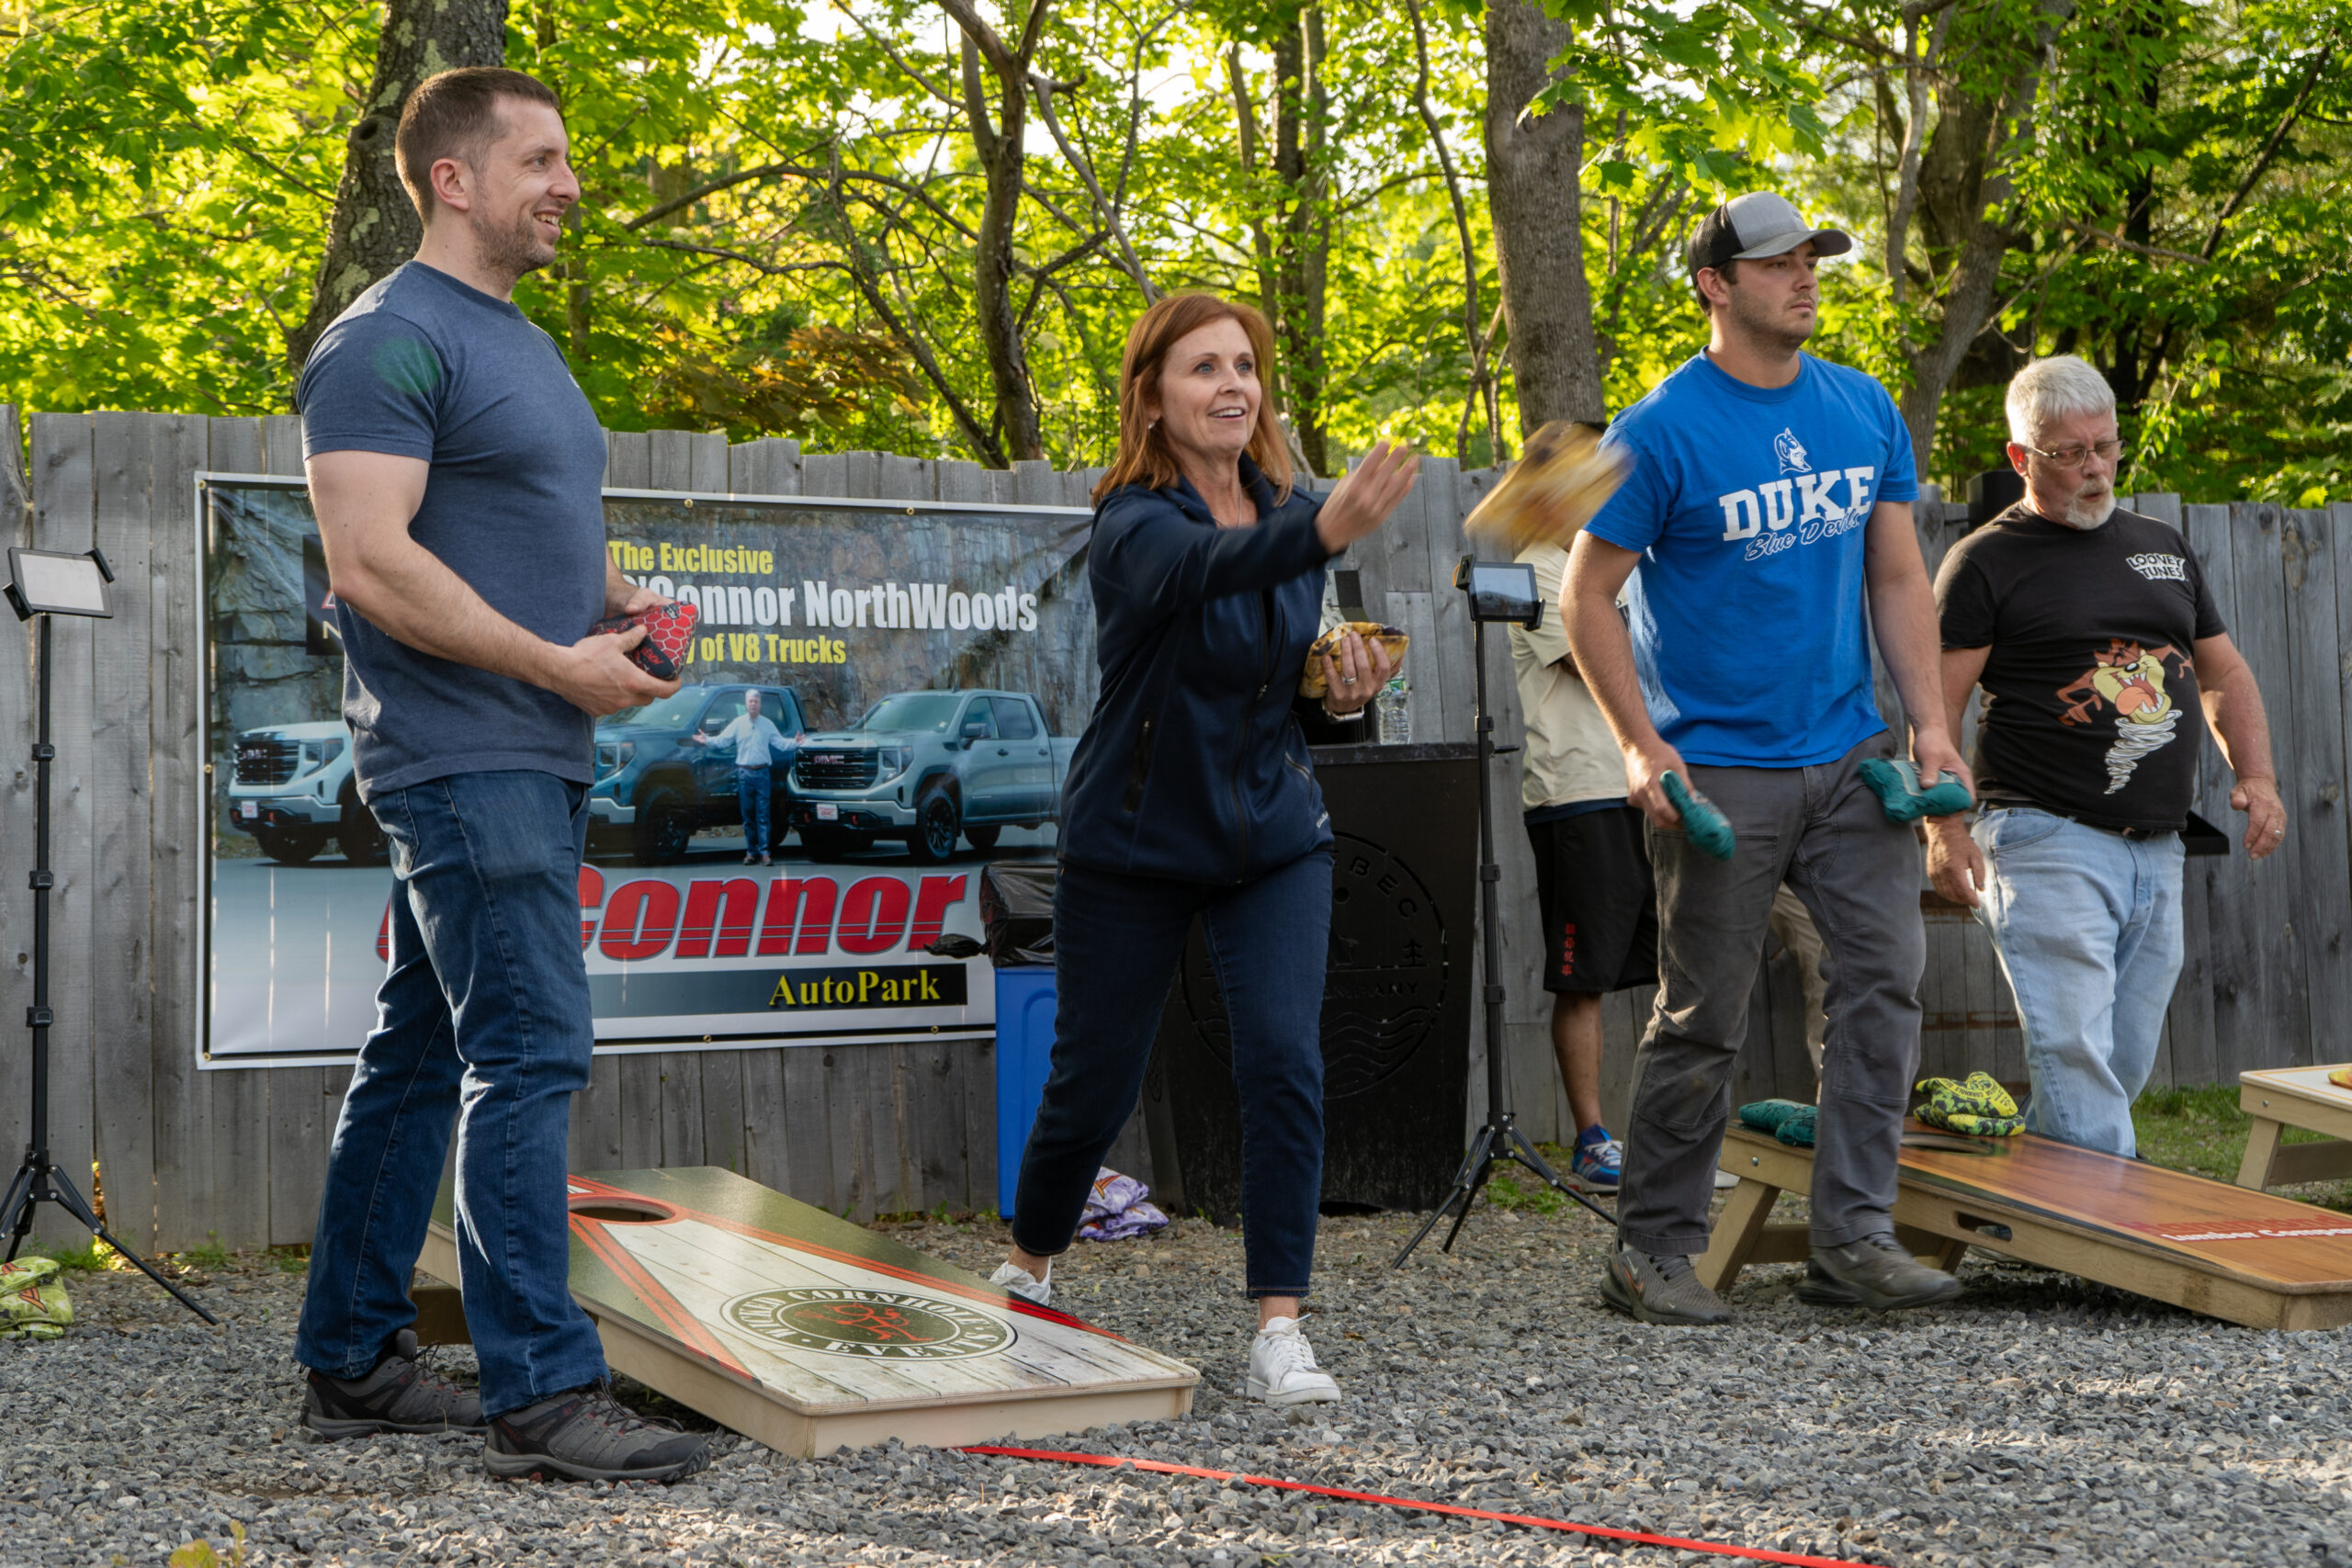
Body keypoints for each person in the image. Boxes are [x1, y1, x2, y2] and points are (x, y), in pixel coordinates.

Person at [293, 66, 712, 1483]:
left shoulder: (514, 340)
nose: (570, 184)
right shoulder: (385, 340)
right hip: (464, 754)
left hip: (531, 746)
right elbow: (371, 560)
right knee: (527, 1054)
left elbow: (518, 518)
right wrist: (553, 662)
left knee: (419, 1057)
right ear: (453, 178)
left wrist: (615, 602)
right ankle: (541, 1388)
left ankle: (351, 1354)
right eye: (540, 158)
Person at [990, 291, 1419, 1404]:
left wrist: (1340, 692)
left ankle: (1280, 1327)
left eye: (1245, 365)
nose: (1233, 385)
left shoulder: (1285, 506)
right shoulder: (1133, 522)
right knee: (1094, 1082)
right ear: (1153, 397)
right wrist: (1321, 532)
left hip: (1274, 836)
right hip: (1134, 842)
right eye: (1202, 369)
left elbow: (1287, 683)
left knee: (1284, 1059)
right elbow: (1201, 577)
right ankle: (1027, 1271)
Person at [1564, 191, 1970, 1324]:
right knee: (1703, 1017)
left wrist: (1929, 725)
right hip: (1719, 772)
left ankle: (1852, 1241)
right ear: (1714, 282)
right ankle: (1649, 1252)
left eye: (1813, 260)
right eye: (1779, 262)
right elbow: (1584, 592)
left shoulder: (1860, 406)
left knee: (1881, 990)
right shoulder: (1659, 430)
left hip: (1851, 757)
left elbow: (1894, 576)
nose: (1805, 277)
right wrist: (1642, 750)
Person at [1928, 355, 2283, 1156]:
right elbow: (1935, 708)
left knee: (2118, 1057)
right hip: (2042, 834)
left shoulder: (2161, 545)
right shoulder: (1985, 562)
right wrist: (1943, 829)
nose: (2095, 469)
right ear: (2021, 458)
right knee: (2074, 1052)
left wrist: (2257, 775)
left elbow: (2222, 670)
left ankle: (2049, 1217)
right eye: (2069, 453)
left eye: (2106, 447)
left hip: (2157, 845)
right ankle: (2115, 1254)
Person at [1509, 540, 1655, 1192]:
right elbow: (1589, 654)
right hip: (1579, 794)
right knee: (1583, 976)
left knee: (1677, 966)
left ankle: (1664, 1133)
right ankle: (1592, 1139)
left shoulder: (1627, 563)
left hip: (1647, 786)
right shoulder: (1540, 566)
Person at [691, 689, 789, 863]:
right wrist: (707, 740)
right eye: (750, 701)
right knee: (748, 815)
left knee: (763, 815)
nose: (753, 704)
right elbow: (722, 740)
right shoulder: (738, 723)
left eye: (756, 702)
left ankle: (765, 853)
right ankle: (751, 853)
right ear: (746, 704)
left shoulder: (767, 724)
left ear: (760, 705)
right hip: (744, 774)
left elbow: (781, 743)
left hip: (762, 773)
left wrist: (796, 743)